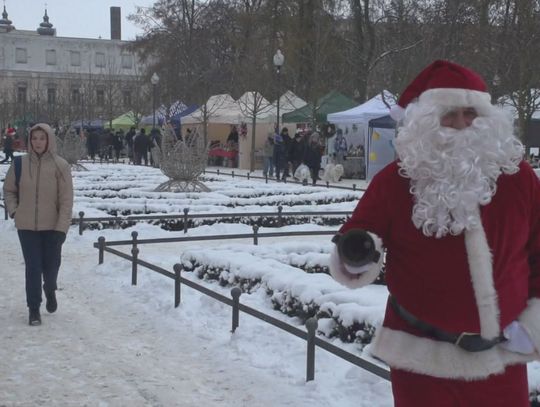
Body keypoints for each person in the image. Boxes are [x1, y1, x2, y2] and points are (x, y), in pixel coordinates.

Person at [329, 60, 540, 406]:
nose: (460, 125)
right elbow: (359, 234)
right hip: (422, 365)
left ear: (487, 118)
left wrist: (532, 325)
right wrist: (357, 251)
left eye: (470, 114)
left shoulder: (519, 179)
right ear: (425, 123)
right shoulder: (397, 181)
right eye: (448, 115)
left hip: (501, 362)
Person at [3, 123, 74, 326]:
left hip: (52, 227)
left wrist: (62, 228)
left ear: (49, 140)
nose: (38, 142)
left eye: (42, 138)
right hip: (26, 226)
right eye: (34, 138)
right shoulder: (19, 164)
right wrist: (15, 210)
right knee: (33, 267)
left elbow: (66, 200)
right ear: (30, 141)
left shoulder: (61, 166)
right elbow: (8, 190)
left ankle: (50, 289)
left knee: (51, 267)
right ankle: (34, 309)